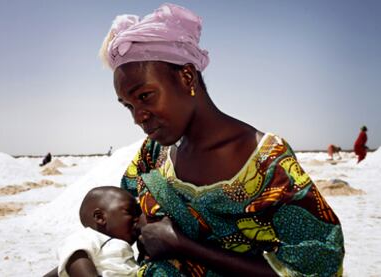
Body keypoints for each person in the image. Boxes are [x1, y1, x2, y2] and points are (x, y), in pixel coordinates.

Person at [100, 3, 344, 276]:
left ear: (187, 77)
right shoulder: (153, 152)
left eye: (144, 96)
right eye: (128, 105)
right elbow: (115, 221)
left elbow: (317, 267)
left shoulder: (267, 164)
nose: (138, 117)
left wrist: (184, 246)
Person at [44, 186, 140, 277]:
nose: (137, 219)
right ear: (100, 217)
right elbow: (74, 260)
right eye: (130, 212)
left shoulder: (115, 245)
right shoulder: (87, 237)